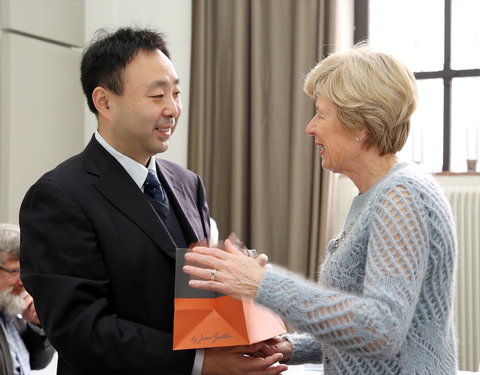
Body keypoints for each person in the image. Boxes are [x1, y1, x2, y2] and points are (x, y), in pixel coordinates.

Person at [19, 27, 286, 375]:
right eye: (157, 95)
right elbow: (80, 331)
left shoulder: (187, 183)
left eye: (176, 93)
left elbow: (194, 302)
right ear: (104, 102)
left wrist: (245, 314)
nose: (172, 109)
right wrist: (199, 363)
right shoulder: (58, 196)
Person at [183, 45, 458, 374]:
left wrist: (261, 283)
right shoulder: (377, 196)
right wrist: (290, 347)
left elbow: (382, 328)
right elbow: (358, 323)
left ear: (360, 125)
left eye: (321, 114)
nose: (310, 127)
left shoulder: (402, 198)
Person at [0, 223, 54, 374]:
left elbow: (37, 363)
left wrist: (37, 325)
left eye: (25, 271)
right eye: (15, 271)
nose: (22, 281)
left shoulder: (9, 306)